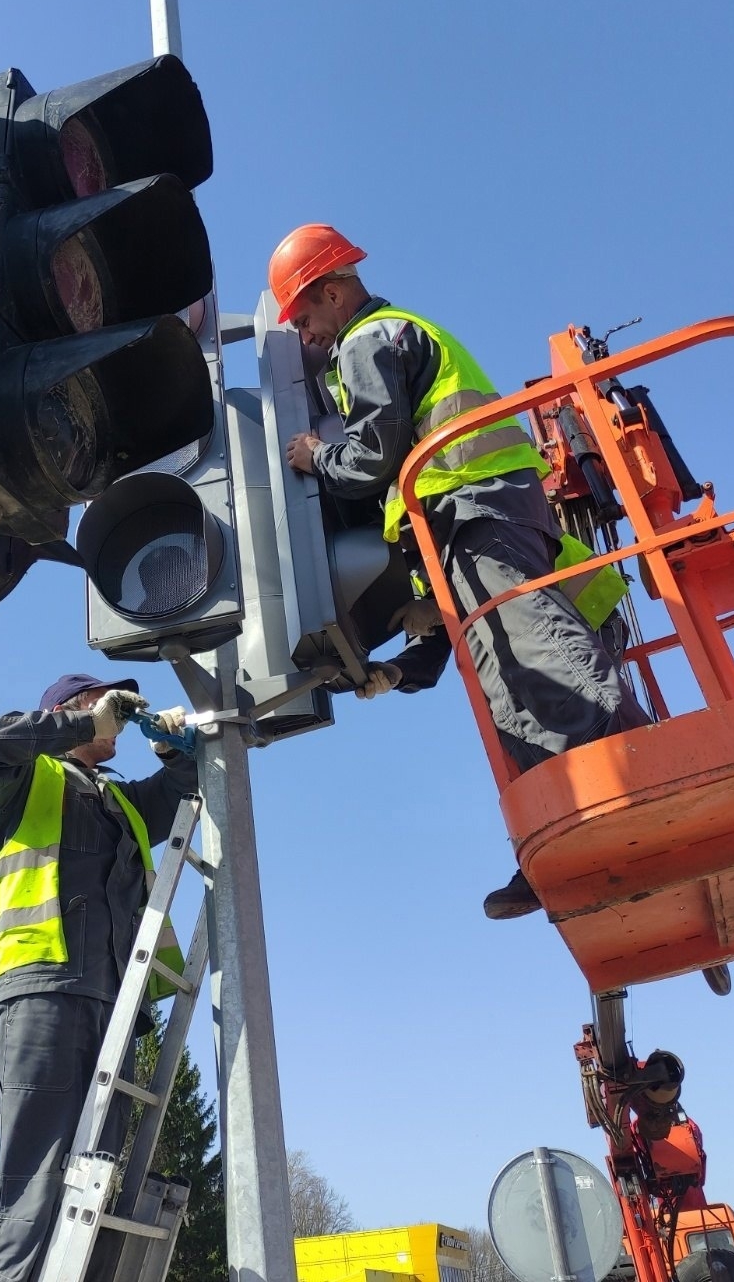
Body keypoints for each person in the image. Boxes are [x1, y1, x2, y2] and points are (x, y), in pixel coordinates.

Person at [271, 223, 645, 921]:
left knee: (535, 660)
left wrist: (313, 458)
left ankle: (634, 792)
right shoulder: (391, 337)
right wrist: (404, 667)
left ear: (328, 291)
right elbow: (439, 601)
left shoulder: (369, 338)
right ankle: (558, 838)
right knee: (513, 682)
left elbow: (374, 454)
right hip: (471, 519)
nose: (309, 336)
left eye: (305, 317)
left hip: (478, 507)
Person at [0, 673, 196, 1282]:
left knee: (94, 1189)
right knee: (35, 1185)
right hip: (44, 989)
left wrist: (172, 750)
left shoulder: (119, 800)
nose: (117, 715)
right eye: (102, 702)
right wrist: (81, 726)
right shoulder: (25, 782)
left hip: (113, 1004)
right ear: (69, 711)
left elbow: (185, 791)